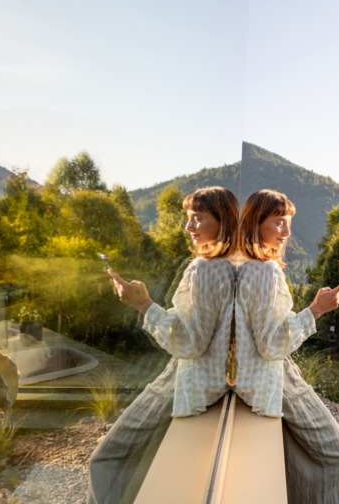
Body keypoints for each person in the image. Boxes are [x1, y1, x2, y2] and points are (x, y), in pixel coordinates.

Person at [86, 186, 239, 504]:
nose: (189, 227)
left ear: (223, 221)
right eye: (188, 219)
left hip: (188, 379)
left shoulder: (206, 269)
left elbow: (190, 342)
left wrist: (144, 306)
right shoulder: (234, 265)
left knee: (106, 459)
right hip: (211, 379)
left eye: (197, 218)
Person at [235, 189, 339, 504]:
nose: (287, 232)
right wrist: (316, 310)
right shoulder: (264, 270)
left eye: (288, 223)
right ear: (254, 223)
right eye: (279, 222)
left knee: (296, 452)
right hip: (271, 375)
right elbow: (269, 344)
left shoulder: (242, 266)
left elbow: (256, 328)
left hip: (263, 371)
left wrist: (287, 356)